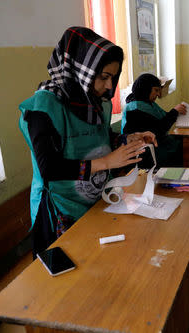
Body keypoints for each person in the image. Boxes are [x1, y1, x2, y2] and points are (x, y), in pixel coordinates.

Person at [19, 27, 157, 257]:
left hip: (97, 199)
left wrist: (126, 139)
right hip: (60, 212)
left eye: (113, 77)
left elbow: (98, 139)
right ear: (81, 69)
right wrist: (106, 163)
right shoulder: (43, 108)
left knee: (102, 263)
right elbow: (49, 168)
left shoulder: (94, 101)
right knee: (68, 278)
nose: (110, 86)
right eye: (104, 77)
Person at [121, 73, 186, 167]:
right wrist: (174, 112)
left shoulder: (148, 103)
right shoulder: (134, 108)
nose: (158, 94)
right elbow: (157, 130)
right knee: (181, 148)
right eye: (156, 90)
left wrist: (176, 112)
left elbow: (163, 118)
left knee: (182, 141)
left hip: (155, 145)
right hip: (144, 153)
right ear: (145, 89)